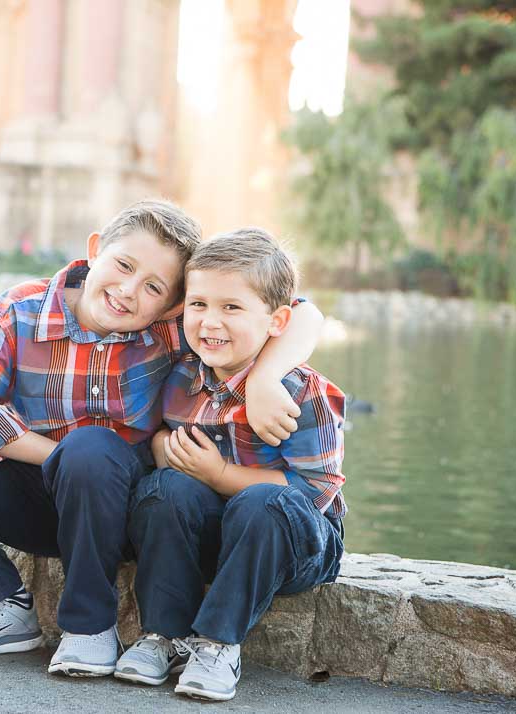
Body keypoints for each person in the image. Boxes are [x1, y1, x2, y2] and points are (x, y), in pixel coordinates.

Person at [0, 202, 325, 678]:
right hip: (40, 497)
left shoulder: (174, 329)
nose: (128, 290)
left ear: (172, 304)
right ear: (95, 250)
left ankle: (90, 630)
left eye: (154, 287)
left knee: (93, 449)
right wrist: (59, 458)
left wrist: (266, 378)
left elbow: (302, 314)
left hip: (119, 510)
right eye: (123, 265)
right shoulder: (20, 311)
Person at [115, 227, 346, 701]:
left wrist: (220, 475)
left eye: (231, 308)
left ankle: (219, 643)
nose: (210, 321)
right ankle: (165, 634)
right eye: (198, 305)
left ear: (277, 321)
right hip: (213, 532)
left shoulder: (303, 394)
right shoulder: (181, 374)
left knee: (264, 502)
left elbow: (311, 493)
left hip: (294, 542)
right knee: (163, 490)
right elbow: (156, 442)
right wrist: (163, 446)